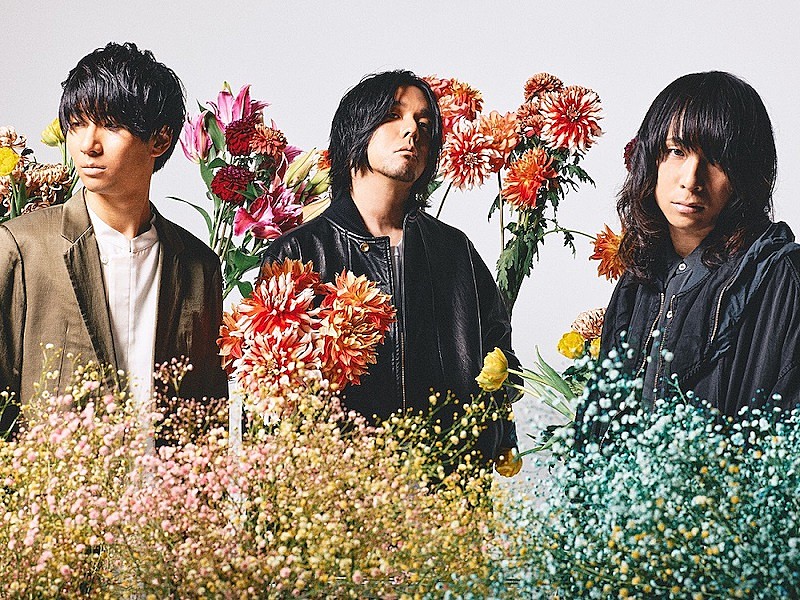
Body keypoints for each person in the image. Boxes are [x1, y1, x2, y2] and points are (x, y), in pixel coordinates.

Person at [262, 70, 518, 467]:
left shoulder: (454, 251)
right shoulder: (300, 253)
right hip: (342, 485)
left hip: (449, 477)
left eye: (424, 124)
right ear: (356, 130)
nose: (412, 130)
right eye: (393, 115)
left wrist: (491, 438)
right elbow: (272, 386)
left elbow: (501, 358)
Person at [0, 42, 228, 438]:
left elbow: (210, 409)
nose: (88, 144)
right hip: (57, 475)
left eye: (110, 125)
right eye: (77, 124)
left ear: (159, 140)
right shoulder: (22, 248)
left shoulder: (198, 265)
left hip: (165, 476)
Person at [595, 71, 800, 431]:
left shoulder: (784, 278)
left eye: (717, 159)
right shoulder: (639, 278)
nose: (691, 180)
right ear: (651, 159)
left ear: (747, 172)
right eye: (676, 152)